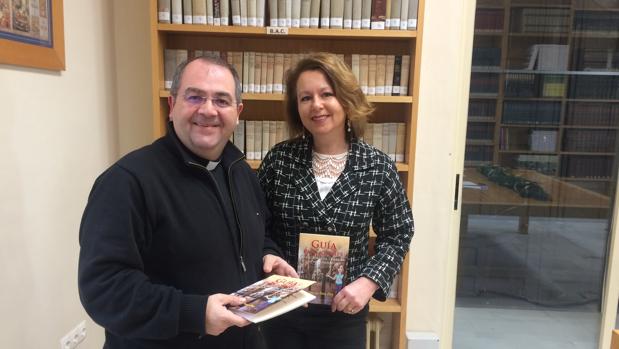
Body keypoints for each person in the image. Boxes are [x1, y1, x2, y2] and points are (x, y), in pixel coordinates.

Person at [78, 55, 295, 349]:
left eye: (221, 100)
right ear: (172, 105)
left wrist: (269, 255)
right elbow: (104, 289)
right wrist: (194, 314)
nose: (208, 110)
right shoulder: (127, 181)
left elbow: (260, 230)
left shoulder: (241, 171)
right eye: (195, 97)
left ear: (238, 112)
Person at [257, 52, 414, 348]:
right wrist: (268, 254)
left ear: (345, 98)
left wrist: (368, 283)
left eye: (326, 94)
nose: (316, 105)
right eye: (305, 98)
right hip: (283, 306)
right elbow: (258, 224)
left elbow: (398, 232)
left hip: (344, 311)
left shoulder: (377, 165)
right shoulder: (279, 160)